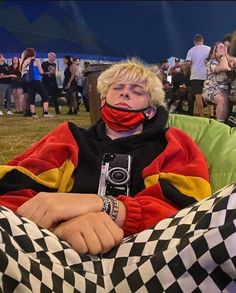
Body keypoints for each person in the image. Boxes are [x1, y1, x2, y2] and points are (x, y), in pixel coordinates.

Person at [2, 58, 236, 291]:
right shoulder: (67, 138)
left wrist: (105, 207)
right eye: (118, 88)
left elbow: (186, 213)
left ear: (151, 108)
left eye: (137, 91)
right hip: (55, 259)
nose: (125, 94)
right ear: (103, 99)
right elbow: (10, 191)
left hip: (152, 261)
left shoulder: (172, 143)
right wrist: (60, 229)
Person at [202, 42, 232, 122]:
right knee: (222, 99)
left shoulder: (228, 61)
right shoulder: (211, 62)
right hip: (211, 90)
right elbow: (224, 67)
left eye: (225, 47)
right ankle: (220, 125)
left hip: (226, 91)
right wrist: (224, 56)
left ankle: (230, 121)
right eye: (221, 47)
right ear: (214, 52)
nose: (224, 48)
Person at [20, 47, 52, 118]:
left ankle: (33, 114)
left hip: (28, 82)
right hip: (36, 80)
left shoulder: (24, 62)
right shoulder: (36, 60)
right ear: (33, 53)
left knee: (32, 97)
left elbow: (22, 73)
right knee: (45, 96)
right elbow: (41, 72)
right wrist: (46, 72)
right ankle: (46, 113)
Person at [186, 34, 210, 117]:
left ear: (194, 42)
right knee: (209, 95)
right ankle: (211, 114)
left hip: (195, 76)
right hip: (207, 75)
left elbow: (188, 63)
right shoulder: (208, 49)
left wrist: (192, 63)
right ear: (202, 40)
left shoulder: (191, 50)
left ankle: (201, 115)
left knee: (198, 97)